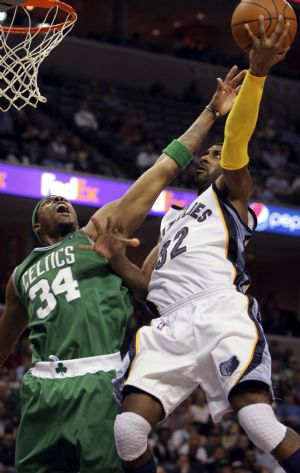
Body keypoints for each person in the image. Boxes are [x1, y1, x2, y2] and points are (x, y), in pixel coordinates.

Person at [0, 66, 244, 473]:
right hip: (41, 388)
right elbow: (4, 341)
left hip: (97, 377)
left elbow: (162, 169)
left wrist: (211, 112)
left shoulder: (98, 232)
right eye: (49, 201)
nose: (60, 200)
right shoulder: (19, 276)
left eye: (65, 199)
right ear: (36, 226)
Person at [84, 16, 300, 473]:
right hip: (168, 324)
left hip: (221, 311)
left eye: (215, 153)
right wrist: (115, 255)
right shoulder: (173, 221)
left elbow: (237, 142)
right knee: (127, 432)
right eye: (207, 153)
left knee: (259, 423)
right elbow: (144, 283)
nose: (209, 155)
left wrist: (256, 75)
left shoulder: (233, 193)